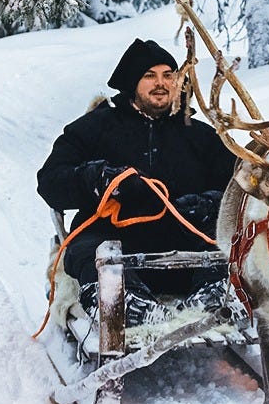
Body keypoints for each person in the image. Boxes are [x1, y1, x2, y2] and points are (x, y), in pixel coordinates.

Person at [36, 38, 235, 298]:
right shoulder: (94, 127)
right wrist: (100, 179)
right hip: (111, 234)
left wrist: (210, 203)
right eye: (150, 75)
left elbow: (237, 187)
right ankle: (129, 308)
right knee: (95, 252)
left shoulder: (201, 135)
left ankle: (212, 304)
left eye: (168, 75)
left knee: (226, 249)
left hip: (187, 235)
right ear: (132, 83)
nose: (161, 83)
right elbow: (51, 181)